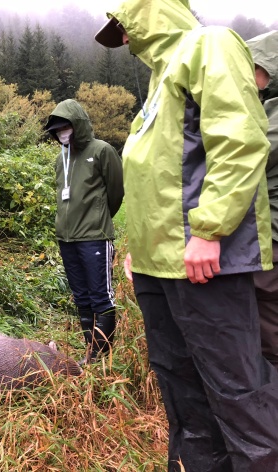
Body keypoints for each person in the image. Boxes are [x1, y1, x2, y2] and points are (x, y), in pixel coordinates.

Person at [95, 0, 278, 470]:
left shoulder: (209, 44)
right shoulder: (159, 83)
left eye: (125, 28)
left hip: (203, 264)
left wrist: (211, 229)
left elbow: (239, 139)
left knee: (237, 390)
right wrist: (139, 250)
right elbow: (156, 179)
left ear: (146, 14)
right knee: (183, 390)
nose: (125, 41)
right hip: (160, 268)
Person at [44, 99, 124, 364]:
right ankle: (90, 356)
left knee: (101, 297)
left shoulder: (102, 150)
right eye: (57, 131)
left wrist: (98, 218)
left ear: (77, 125)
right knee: (82, 298)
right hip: (67, 239)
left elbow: (116, 192)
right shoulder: (60, 158)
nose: (61, 134)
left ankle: (103, 360)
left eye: (65, 128)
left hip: (94, 237)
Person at [248, 31, 278, 368]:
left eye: (255, 68)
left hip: (273, 232)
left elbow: (252, 152)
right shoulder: (266, 106)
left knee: (269, 333)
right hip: (263, 231)